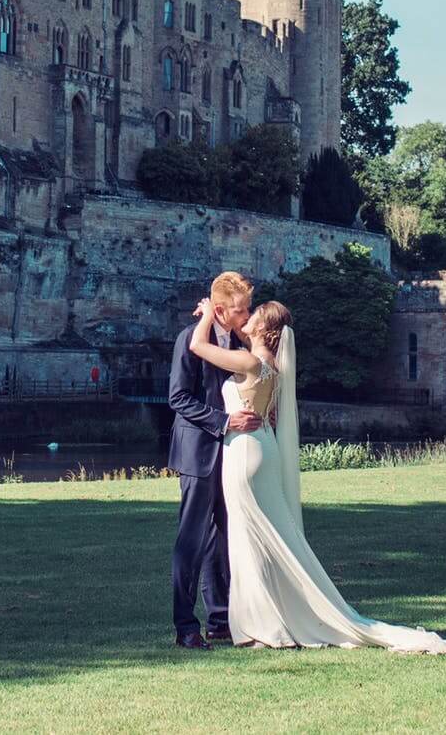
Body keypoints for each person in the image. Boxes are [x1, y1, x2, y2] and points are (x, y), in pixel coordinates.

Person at [188, 294, 446, 654]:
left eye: (253, 313)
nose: (246, 315)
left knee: (249, 541)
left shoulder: (248, 361)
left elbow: (198, 345)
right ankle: (265, 621)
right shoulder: (270, 364)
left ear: (262, 327)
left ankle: (264, 625)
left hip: (245, 452)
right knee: (263, 539)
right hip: (261, 447)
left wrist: (210, 313)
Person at [166, 272, 263, 649]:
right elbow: (178, 398)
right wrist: (224, 422)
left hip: (230, 453)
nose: (247, 315)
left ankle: (220, 618)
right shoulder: (188, 341)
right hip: (198, 452)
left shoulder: (234, 340)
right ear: (220, 311)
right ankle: (185, 626)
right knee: (190, 541)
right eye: (241, 310)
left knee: (222, 537)